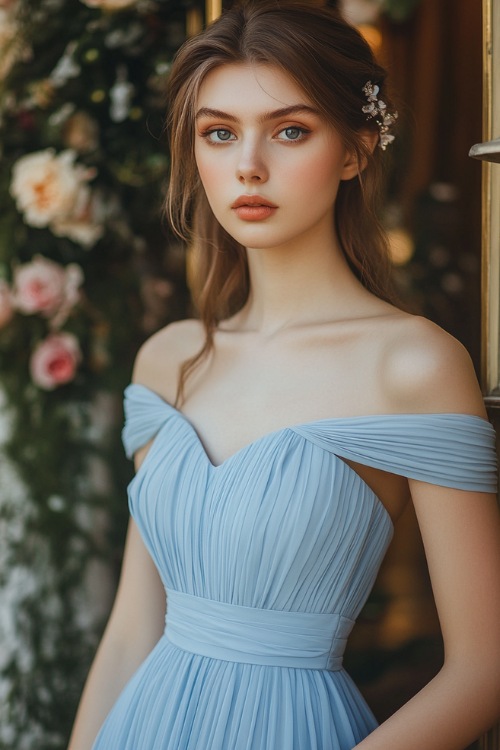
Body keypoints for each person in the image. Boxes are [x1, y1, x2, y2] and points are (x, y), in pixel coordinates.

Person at [68, 2, 500, 748]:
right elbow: (133, 630)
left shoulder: (413, 363)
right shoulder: (168, 359)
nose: (249, 165)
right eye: (219, 133)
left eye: (290, 130)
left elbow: (485, 667)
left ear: (357, 150)